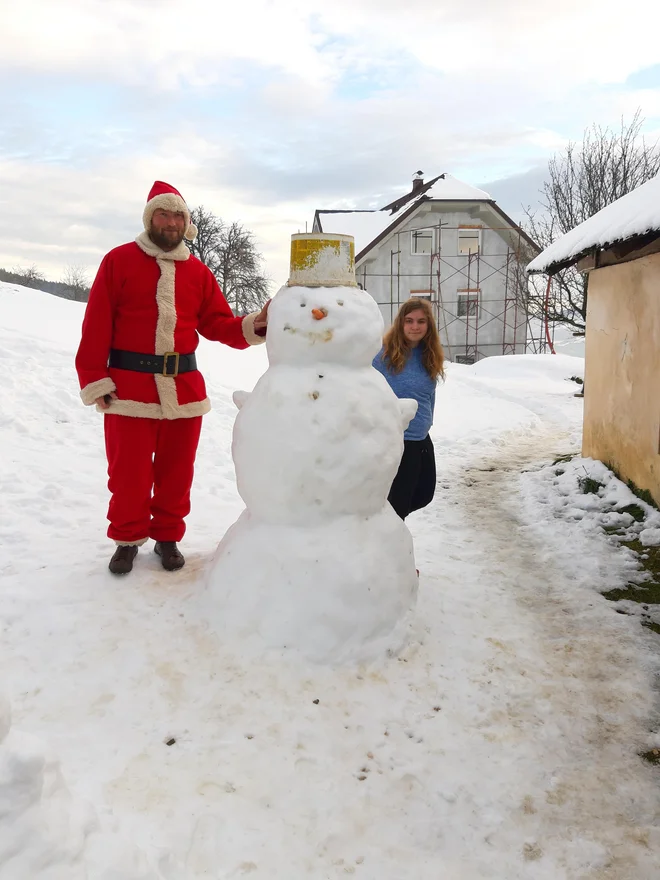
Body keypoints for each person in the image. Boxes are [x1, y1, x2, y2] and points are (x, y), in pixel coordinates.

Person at [75, 181, 270, 575]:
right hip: (128, 391)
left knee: (176, 474)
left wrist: (254, 325)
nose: (171, 221)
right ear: (151, 219)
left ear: (187, 223)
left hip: (183, 391)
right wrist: (96, 379)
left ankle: (168, 537)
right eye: (164, 214)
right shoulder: (118, 261)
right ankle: (127, 540)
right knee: (128, 475)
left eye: (178, 215)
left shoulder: (197, 272)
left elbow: (217, 323)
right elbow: (96, 325)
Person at [372, 298, 445, 520]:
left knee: (424, 494)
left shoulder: (428, 354)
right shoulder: (383, 355)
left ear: (428, 325)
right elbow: (368, 392)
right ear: (401, 323)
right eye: (409, 321)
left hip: (421, 438)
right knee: (398, 506)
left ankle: (383, 523)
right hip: (397, 440)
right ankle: (387, 542)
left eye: (421, 321)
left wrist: (428, 419)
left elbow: (428, 392)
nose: (415, 326)